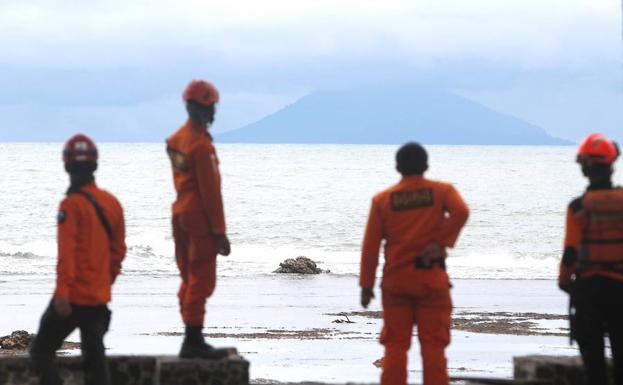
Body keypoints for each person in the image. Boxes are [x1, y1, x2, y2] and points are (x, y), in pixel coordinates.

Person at [360, 142, 469, 385]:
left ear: (398, 167)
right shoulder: (442, 192)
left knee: (395, 345)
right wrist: (440, 241)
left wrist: (366, 286)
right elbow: (462, 211)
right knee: (433, 345)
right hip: (432, 281)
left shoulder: (383, 200)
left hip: (396, 283)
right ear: (426, 165)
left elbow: (370, 247)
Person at [30, 134, 126, 385]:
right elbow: (118, 253)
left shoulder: (70, 205)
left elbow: (67, 255)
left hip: (72, 298)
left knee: (41, 351)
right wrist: (105, 283)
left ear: (67, 166)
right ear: (94, 165)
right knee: (95, 358)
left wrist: (62, 294)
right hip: (98, 298)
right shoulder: (112, 203)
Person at [166, 79, 231, 359]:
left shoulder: (177, 139)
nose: (214, 113)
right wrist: (220, 232)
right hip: (199, 220)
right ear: (204, 108)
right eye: (212, 107)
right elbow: (211, 193)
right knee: (201, 281)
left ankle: (190, 334)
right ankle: (192, 341)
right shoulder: (201, 146)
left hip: (180, 213)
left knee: (187, 277)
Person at [559, 133, 623, 385]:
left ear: (584, 167)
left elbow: (571, 253)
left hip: (589, 290)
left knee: (593, 363)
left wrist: (565, 282)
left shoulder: (578, 207)